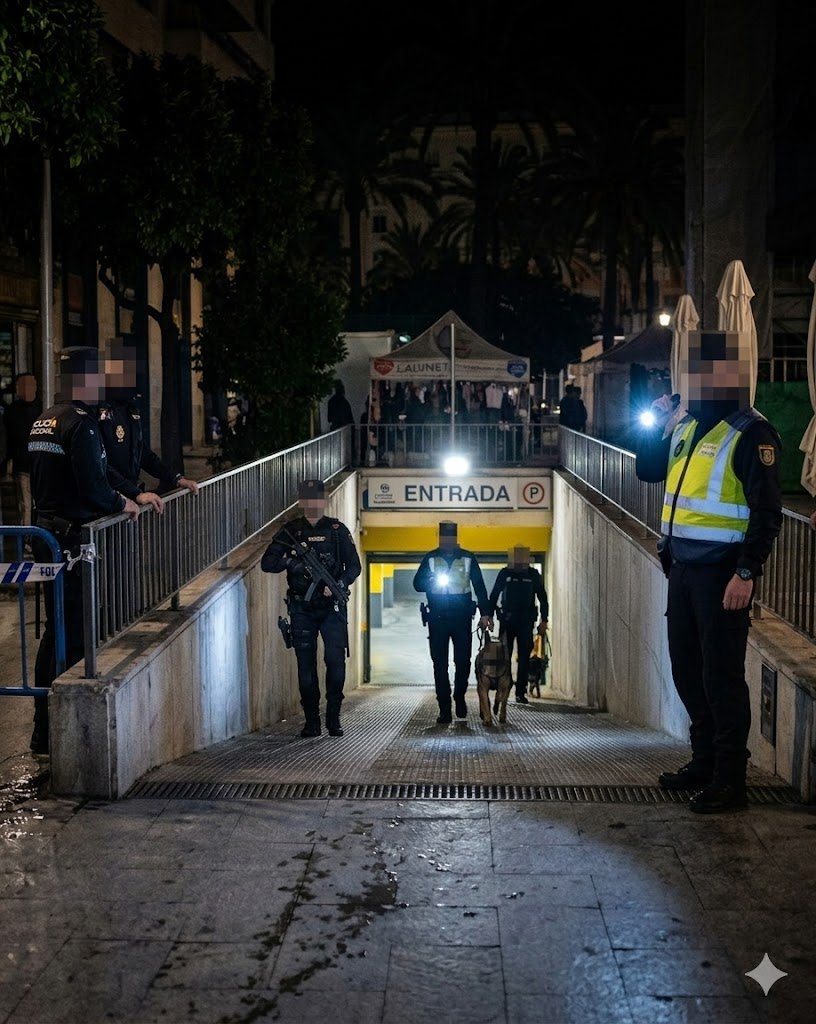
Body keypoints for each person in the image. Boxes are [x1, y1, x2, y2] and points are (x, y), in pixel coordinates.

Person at [636, 328, 783, 813]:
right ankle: (702, 761)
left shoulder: (751, 432)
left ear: (729, 376)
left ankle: (729, 780)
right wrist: (654, 425)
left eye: (705, 373)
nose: (695, 382)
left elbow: (767, 512)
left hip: (722, 575)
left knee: (722, 678)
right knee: (686, 669)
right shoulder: (685, 424)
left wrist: (746, 572)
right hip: (681, 569)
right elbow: (648, 471)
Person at [28, 348, 140, 756]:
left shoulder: (45, 419)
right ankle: (59, 732)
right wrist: (121, 502)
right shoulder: (83, 424)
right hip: (71, 542)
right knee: (74, 632)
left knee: (55, 631)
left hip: (45, 535)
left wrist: (124, 491)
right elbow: (93, 483)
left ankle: (43, 728)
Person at [261, 478, 361, 737]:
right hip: (302, 608)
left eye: (318, 499)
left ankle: (333, 718)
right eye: (309, 499)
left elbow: (354, 566)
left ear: (324, 500)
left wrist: (338, 583)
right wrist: (292, 563)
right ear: (302, 501)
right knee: (305, 666)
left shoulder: (337, 530)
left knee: (335, 662)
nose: (314, 504)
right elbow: (268, 563)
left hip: (331, 607)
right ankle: (311, 721)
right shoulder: (291, 531)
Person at [96, 339, 199, 514]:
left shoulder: (131, 410)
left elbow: (142, 454)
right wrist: (133, 493)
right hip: (109, 502)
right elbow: (99, 464)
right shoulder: (97, 410)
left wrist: (175, 478)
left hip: (130, 504)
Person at [413, 521, 492, 723]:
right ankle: (444, 708)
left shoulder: (467, 558)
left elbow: (480, 587)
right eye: (443, 538)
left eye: (450, 538)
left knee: (463, 662)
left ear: (455, 539)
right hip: (437, 618)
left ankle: (459, 696)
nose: (446, 542)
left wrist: (486, 614)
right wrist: (429, 581)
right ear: (440, 538)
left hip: (461, 618)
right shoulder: (431, 558)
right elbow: (417, 584)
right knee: (439, 664)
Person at [488, 546, 549, 703]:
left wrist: (544, 620)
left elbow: (542, 597)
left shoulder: (533, 575)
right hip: (507, 621)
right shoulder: (505, 573)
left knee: (523, 657)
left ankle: (520, 691)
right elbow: (494, 594)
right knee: (504, 657)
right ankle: (505, 687)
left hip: (526, 622)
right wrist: (489, 616)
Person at [3, 372, 42, 525]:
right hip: (22, 465)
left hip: (40, 464)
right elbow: (8, 439)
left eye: (30, 384)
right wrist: (9, 461)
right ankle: (27, 540)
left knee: (39, 503)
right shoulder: (12, 411)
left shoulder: (43, 407)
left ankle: (38, 538)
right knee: (25, 505)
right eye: (22, 385)